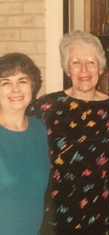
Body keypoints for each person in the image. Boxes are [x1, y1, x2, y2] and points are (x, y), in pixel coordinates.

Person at [27, 30, 109, 235]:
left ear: (100, 67)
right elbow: (19, 136)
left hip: (101, 214)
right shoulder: (47, 107)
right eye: (76, 62)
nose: (84, 69)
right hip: (57, 215)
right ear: (67, 69)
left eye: (90, 62)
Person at [0, 52, 50, 235]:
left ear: (32, 85)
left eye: (22, 81)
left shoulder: (38, 130)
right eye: (6, 82)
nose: (15, 89)